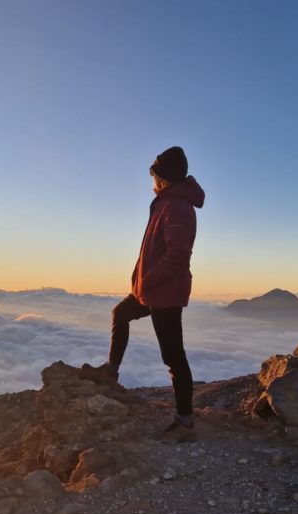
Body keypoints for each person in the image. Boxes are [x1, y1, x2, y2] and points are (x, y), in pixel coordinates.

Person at [80, 146, 205, 442]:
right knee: (121, 313)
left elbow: (178, 257)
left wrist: (147, 281)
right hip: (151, 290)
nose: (151, 180)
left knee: (173, 355)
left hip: (165, 293)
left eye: (154, 175)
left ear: (164, 178)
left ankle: (185, 422)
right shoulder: (165, 203)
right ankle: (110, 372)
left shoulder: (176, 207)